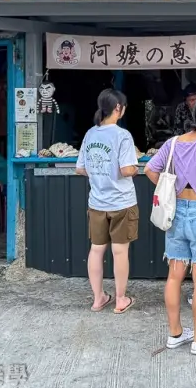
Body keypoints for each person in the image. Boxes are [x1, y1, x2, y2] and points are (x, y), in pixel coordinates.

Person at [145, 97, 196, 356]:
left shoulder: (173, 143)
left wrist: (167, 190)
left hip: (177, 213)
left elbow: (149, 169)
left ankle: (175, 334)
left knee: (174, 275)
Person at [75, 89, 140, 315]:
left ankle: (98, 298)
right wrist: (136, 163)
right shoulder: (122, 136)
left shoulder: (91, 134)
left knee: (96, 250)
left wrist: (98, 174)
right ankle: (120, 299)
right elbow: (126, 170)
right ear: (118, 108)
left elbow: (80, 168)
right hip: (121, 202)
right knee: (120, 252)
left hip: (97, 202)